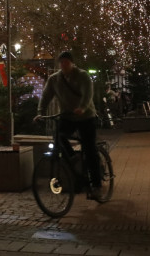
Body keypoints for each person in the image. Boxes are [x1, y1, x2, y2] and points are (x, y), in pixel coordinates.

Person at [35, 50, 103, 196]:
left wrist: (82, 108)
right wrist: (40, 113)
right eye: (61, 63)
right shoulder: (54, 79)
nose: (64, 65)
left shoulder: (82, 76)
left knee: (90, 149)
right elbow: (46, 96)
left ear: (72, 63)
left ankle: (97, 184)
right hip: (67, 116)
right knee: (59, 137)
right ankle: (73, 159)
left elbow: (87, 94)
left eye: (66, 62)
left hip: (86, 117)